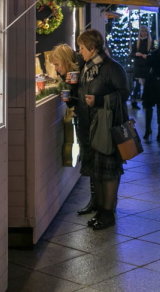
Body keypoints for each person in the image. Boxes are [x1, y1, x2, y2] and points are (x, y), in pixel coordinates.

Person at [76, 29, 129, 230]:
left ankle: (108, 213)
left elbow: (124, 94)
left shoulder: (112, 68)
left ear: (92, 48)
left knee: (109, 171)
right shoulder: (87, 67)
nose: (79, 51)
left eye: (82, 47)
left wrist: (99, 100)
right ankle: (101, 209)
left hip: (107, 127)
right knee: (97, 171)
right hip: (90, 126)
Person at [50, 44, 92, 213]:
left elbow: (74, 99)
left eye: (57, 64)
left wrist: (65, 94)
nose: (56, 68)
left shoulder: (73, 74)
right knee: (90, 159)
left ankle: (97, 203)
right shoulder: (77, 70)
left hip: (86, 120)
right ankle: (95, 201)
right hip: (87, 119)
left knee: (90, 158)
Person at [130, 26, 154, 109]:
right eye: (142, 31)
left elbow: (154, 53)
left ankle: (145, 101)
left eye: (145, 31)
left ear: (147, 32)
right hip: (138, 67)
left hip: (146, 66)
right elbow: (131, 54)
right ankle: (134, 101)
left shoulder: (151, 42)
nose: (143, 33)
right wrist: (136, 54)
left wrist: (147, 56)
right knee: (137, 85)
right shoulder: (136, 42)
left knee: (147, 85)